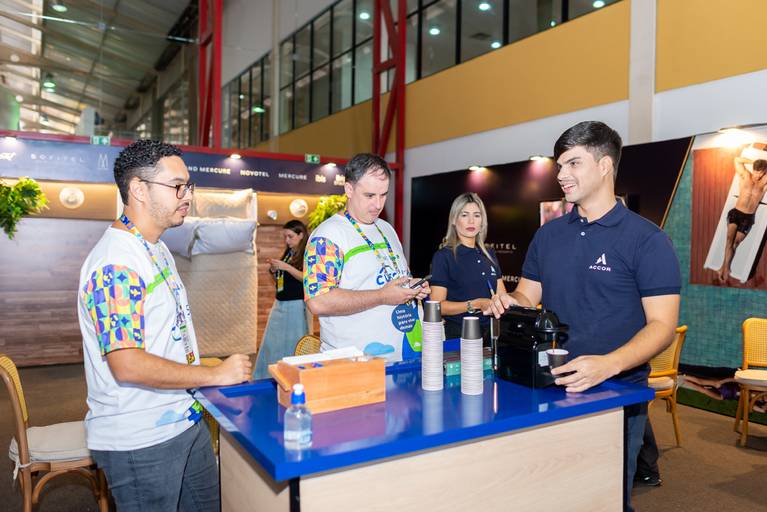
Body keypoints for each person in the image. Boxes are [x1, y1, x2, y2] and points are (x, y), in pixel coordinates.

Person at [486, 121, 681, 511]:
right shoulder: (548, 235)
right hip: (549, 386)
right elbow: (528, 295)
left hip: (616, 393)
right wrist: (509, 302)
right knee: (550, 496)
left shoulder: (648, 240)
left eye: (573, 163)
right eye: (559, 165)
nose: (561, 175)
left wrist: (608, 365)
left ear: (605, 165)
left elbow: (663, 326)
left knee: (605, 500)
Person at [77, 140, 252, 512]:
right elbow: (127, 364)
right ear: (139, 189)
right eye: (177, 186)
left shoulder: (155, 248)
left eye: (188, 186)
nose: (187, 195)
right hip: (142, 439)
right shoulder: (116, 264)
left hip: (183, 419)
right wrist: (214, 374)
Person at [304, 153, 430, 361]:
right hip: (355, 363)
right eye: (370, 196)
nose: (378, 205)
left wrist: (411, 286)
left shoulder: (386, 229)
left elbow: (390, 278)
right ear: (349, 189)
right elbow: (318, 301)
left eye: (383, 195)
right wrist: (381, 296)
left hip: (403, 357)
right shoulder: (328, 236)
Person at [429, 192, 506, 340]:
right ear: (454, 220)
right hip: (460, 335)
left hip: (492, 333)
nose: (471, 221)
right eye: (464, 215)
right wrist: (475, 304)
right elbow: (437, 307)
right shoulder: (444, 256)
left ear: (482, 221)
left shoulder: (489, 253)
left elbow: (502, 295)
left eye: (477, 215)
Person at [253, 220, 309, 378]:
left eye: (290, 236)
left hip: (295, 305)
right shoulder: (289, 253)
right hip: (280, 303)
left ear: (301, 235)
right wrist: (274, 269)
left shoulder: (307, 254)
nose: (287, 240)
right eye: (285, 237)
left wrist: (286, 267)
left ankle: (292, 376)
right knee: (273, 342)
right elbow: (282, 278)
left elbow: (306, 278)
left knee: (292, 343)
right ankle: (269, 375)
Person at [716, 157, 767, 284]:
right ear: (753, 169)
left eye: (761, 173)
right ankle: (725, 268)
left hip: (748, 218)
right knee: (729, 240)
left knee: (735, 244)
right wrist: (753, 162)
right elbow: (737, 159)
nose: (758, 175)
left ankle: (724, 267)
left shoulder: (764, 182)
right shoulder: (745, 176)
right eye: (756, 171)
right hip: (736, 213)